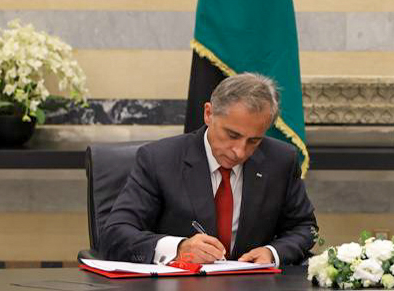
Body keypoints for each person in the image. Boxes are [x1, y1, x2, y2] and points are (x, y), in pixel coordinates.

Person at [101, 73, 316, 266]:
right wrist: (178, 248)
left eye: (254, 141)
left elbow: (304, 227)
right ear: (208, 114)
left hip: (252, 290)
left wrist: (273, 252)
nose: (239, 151)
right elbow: (115, 233)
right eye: (232, 135)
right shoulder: (159, 159)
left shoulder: (280, 160)